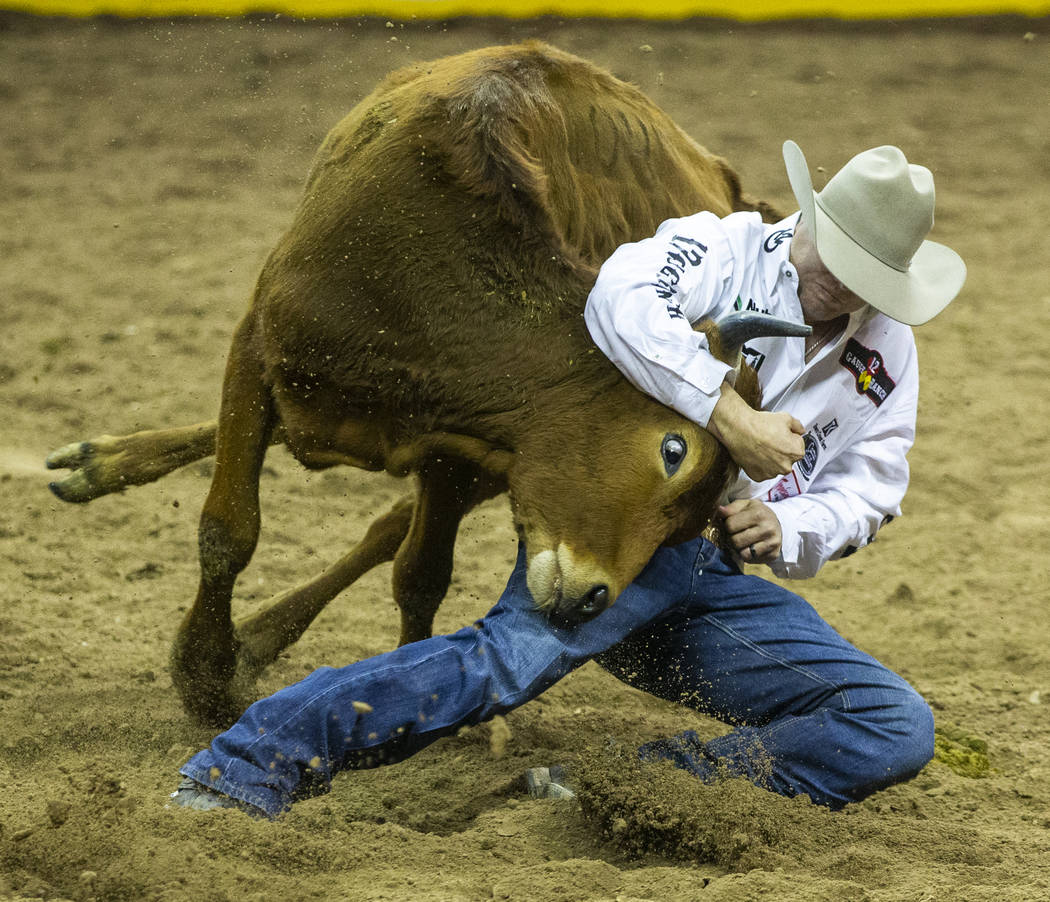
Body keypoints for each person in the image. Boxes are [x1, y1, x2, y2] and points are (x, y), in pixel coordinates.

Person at [171, 140, 966, 818]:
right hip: (614, 525)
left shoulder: (887, 350)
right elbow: (621, 299)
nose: (850, 291)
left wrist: (795, 528)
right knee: (499, 666)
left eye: (872, 278)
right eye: (843, 263)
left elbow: (874, 481)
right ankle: (244, 760)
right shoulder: (721, 250)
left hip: (712, 570)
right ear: (814, 222)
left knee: (891, 723)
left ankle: (626, 790)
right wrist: (732, 419)